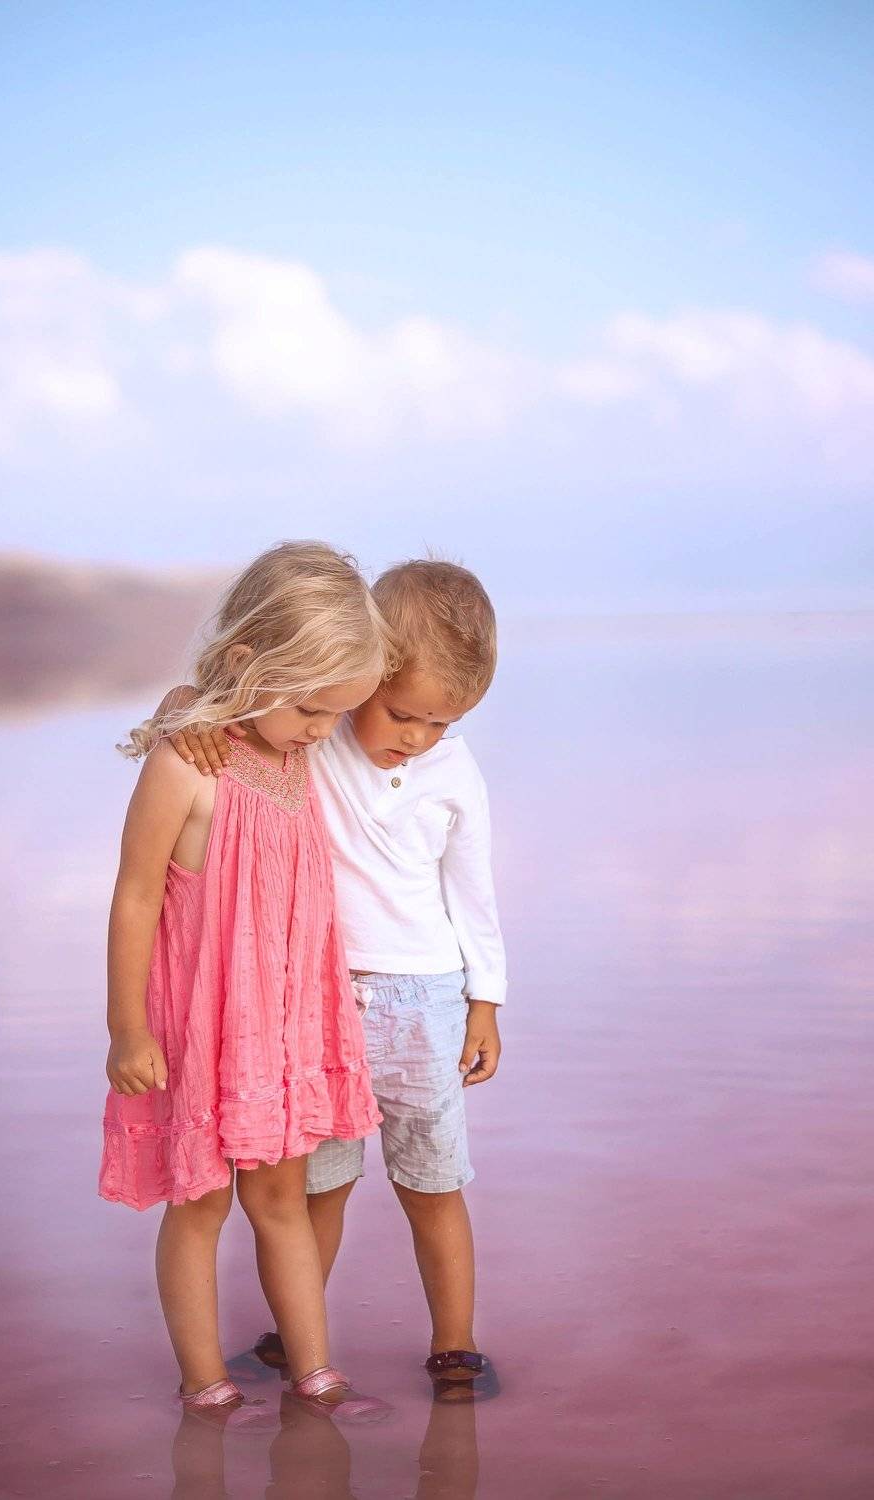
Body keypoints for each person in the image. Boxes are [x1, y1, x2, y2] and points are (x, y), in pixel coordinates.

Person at [161, 558, 505, 1399]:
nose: (415, 737)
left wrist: (485, 1000)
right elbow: (236, 705)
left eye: (441, 722)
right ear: (366, 678)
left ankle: (454, 1344)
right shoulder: (320, 736)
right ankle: (296, 1334)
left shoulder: (453, 772)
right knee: (320, 1186)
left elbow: (473, 890)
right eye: (402, 713)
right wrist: (180, 711)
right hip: (314, 1002)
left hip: (425, 1000)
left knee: (432, 1183)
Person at [100, 540, 396, 1421]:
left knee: (280, 1200)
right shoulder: (187, 766)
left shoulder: (296, 752)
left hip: (284, 1028)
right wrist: (126, 1029)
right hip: (196, 1028)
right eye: (310, 708)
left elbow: (271, 703)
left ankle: (315, 1370)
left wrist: (196, 699)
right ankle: (205, 1383)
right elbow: (135, 895)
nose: (321, 729)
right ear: (245, 664)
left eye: (336, 713)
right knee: (197, 1205)